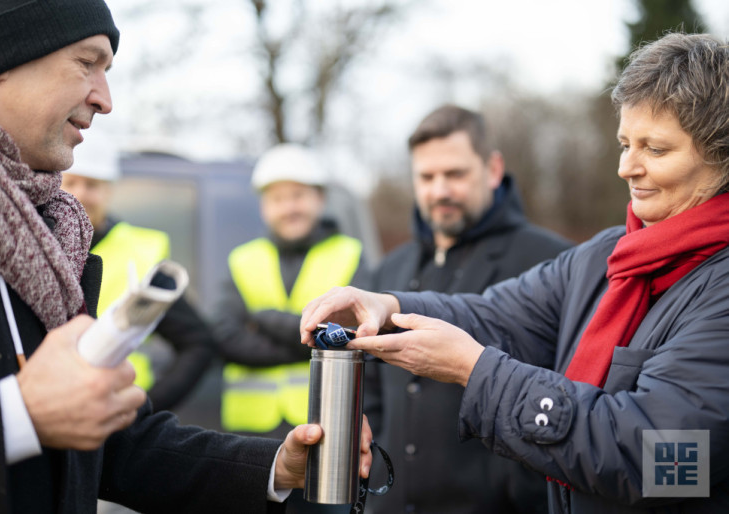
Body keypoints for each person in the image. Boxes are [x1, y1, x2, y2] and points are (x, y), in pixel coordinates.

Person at [0, 2, 371, 512]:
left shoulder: (48, 229)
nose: (105, 100)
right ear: (2, 55)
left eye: (106, 71)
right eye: (87, 63)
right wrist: (16, 417)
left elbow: (112, 449)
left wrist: (274, 467)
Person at [301, 32, 729, 514]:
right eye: (625, 143)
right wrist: (390, 306)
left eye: (655, 149)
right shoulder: (606, 256)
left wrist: (475, 370)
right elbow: (496, 316)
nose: (626, 167)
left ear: (719, 155)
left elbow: (662, 463)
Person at [365, 105, 572, 513]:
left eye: (455, 174)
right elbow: (371, 389)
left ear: (493, 170)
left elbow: (569, 390)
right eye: (426, 177)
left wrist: (515, 488)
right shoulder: (389, 268)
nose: (440, 190)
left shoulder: (550, 262)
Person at [213, 142, 369, 439]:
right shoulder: (242, 259)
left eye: (298, 196)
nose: (289, 207)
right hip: (250, 432)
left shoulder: (349, 254)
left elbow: (353, 333)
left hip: (326, 420)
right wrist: (313, 341)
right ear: (264, 206)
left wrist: (264, 319)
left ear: (320, 199)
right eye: (277, 199)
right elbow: (225, 337)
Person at [62, 130, 216, 412]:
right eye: (71, 182)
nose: (80, 193)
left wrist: (144, 410)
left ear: (109, 191)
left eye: (92, 184)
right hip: (47, 410)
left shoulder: (142, 253)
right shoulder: (32, 246)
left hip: (115, 417)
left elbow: (198, 343)